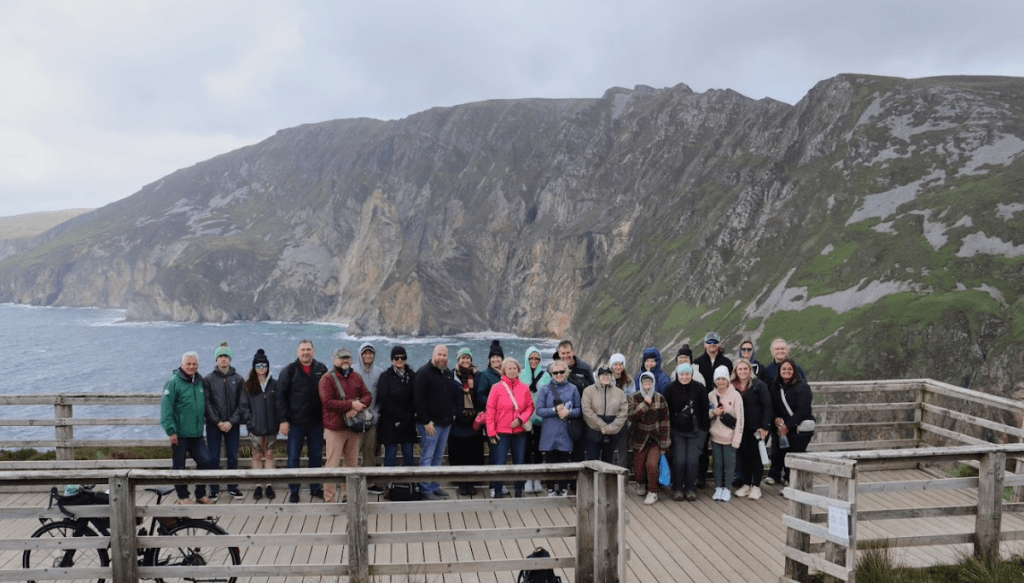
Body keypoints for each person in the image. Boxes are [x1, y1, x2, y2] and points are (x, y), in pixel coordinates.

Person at [276, 339, 329, 503]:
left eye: (308, 349)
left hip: (316, 423)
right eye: (303, 350)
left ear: (314, 351)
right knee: (293, 457)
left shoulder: (322, 369)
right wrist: (283, 420)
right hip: (296, 423)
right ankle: (294, 490)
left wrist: (327, 422)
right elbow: (280, 397)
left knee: (316, 456)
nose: (306, 352)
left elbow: (328, 396)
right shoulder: (289, 371)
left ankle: (315, 488)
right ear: (297, 352)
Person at [319, 347, 371, 503]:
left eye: (347, 357)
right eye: (342, 358)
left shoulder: (356, 377)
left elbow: (367, 395)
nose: (345, 360)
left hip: (353, 427)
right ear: (335, 360)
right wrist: (351, 405)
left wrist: (360, 406)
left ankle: (349, 497)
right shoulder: (326, 379)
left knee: (352, 465)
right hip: (334, 428)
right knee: (332, 465)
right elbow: (327, 403)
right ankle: (330, 499)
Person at [160, 351, 212, 504]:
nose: (191, 366)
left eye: (194, 364)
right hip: (180, 433)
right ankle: (183, 496)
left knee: (205, 461)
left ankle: (200, 494)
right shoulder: (173, 381)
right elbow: (166, 408)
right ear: (182, 365)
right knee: (179, 466)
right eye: (188, 364)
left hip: (196, 433)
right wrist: (171, 430)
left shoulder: (200, 381)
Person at [485, 358, 535, 498]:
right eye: (509, 368)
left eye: (514, 368)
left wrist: (521, 419)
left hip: (519, 432)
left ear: (518, 370)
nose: (512, 371)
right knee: (499, 462)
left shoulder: (524, 387)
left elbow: (530, 407)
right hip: (501, 432)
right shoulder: (497, 388)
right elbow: (490, 410)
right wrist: (491, 432)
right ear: (504, 370)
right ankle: (498, 490)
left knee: (519, 462)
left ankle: (519, 491)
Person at [414, 344, 457, 500]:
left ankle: (434, 486)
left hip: (445, 424)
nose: (442, 358)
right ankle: (425, 489)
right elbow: (418, 400)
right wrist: (426, 421)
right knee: (427, 457)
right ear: (433, 355)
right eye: (439, 354)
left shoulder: (447, 373)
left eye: (445, 355)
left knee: (438, 457)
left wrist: (451, 417)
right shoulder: (423, 373)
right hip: (430, 425)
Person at [204, 342, 245, 501]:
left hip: (232, 425)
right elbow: (207, 403)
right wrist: (218, 421)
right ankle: (214, 488)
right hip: (214, 425)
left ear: (230, 359)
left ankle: (232, 487)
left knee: (232, 457)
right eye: (220, 356)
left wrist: (231, 422)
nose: (223, 359)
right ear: (216, 359)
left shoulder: (238, 379)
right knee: (213, 458)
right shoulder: (208, 379)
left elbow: (242, 403)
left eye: (226, 356)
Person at [664, 363, 710, 501]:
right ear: (677, 375)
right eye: (681, 374)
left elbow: (704, 412)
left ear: (691, 375)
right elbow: (667, 412)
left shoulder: (700, 388)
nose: (684, 377)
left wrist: (703, 433)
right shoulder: (671, 389)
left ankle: (690, 488)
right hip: (677, 431)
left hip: (695, 431)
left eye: (687, 374)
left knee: (693, 461)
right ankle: (678, 488)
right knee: (679, 460)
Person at [239, 348, 280, 501]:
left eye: (264, 365)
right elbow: (244, 406)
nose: (261, 368)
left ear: (268, 366)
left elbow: (279, 404)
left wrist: (277, 422)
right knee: (256, 455)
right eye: (258, 365)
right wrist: (251, 423)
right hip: (255, 428)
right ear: (254, 367)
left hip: (271, 428)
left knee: (269, 454)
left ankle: (269, 484)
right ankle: (258, 485)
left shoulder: (274, 384)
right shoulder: (248, 385)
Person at [537, 360, 582, 496]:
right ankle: (551, 488)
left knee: (564, 461)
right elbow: (539, 411)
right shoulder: (545, 389)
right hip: (550, 431)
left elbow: (579, 410)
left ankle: (563, 488)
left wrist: (569, 413)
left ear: (566, 372)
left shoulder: (573, 388)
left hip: (565, 431)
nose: (558, 375)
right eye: (555, 372)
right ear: (551, 373)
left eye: (561, 372)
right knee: (550, 462)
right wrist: (554, 409)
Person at [694, 332, 733, 487]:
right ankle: (701, 476)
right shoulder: (697, 363)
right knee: (702, 443)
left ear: (719, 344)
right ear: (704, 344)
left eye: (714, 341)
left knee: (723, 441)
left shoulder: (727, 362)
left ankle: (723, 476)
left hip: (723, 405)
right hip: (704, 407)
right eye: (709, 341)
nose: (712, 344)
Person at [768, 358, 815, 486]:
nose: (786, 371)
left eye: (790, 369)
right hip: (782, 425)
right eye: (784, 369)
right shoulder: (775, 387)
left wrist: (788, 426)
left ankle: (791, 480)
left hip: (798, 428)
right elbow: (771, 406)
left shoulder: (803, 387)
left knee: (793, 454)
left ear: (794, 371)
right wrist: (775, 419)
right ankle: (778, 476)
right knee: (778, 451)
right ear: (779, 371)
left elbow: (804, 410)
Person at [627, 371, 671, 505]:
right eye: (644, 382)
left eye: (649, 382)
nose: (647, 384)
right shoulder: (634, 397)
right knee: (639, 470)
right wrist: (645, 404)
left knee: (651, 465)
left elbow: (665, 422)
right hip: (640, 439)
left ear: (653, 383)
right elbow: (631, 416)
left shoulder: (660, 398)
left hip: (656, 439)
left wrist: (664, 444)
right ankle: (641, 483)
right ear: (640, 383)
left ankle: (653, 492)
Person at [732, 359, 771, 500]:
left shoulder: (759, 385)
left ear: (750, 370)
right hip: (741, 428)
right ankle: (747, 484)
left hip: (757, 427)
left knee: (756, 456)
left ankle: (756, 486)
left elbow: (767, 406)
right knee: (743, 456)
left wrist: (765, 426)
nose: (742, 372)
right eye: (740, 369)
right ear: (736, 371)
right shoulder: (732, 386)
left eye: (745, 369)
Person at [376, 346, 417, 475]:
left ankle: (409, 485)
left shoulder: (412, 375)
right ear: (392, 359)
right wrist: (399, 414)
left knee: (409, 455)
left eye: (402, 357)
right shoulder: (385, 376)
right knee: (390, 456)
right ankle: (390, 485)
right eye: (396, 357)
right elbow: (383, 397)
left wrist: (407, 416)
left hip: (408, 422)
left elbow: (416, 398)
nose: (400, 360)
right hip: (389, 423)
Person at [450, 347, 485, 496]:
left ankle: (471, 481)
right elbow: (449, 398)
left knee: (473, 454)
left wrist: (476, 414)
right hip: (457, 422)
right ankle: (461, 482)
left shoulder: (478, 376)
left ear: (471, 360)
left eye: (468, 358)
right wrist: (455, 414)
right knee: (459, 454)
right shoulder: (452, 376)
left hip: (474, 422)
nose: (465, 360)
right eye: (462, 358)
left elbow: (480, 396)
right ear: (458, 360)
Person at [709, 366, 744, 502]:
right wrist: (713, 413)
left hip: (729, 437)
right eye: (718, 379)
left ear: (728, 380)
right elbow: (707, 414)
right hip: (716, 436)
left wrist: (737, 439)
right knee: (717, 463)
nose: (721, 381)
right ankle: (718, 487)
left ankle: (727, 488)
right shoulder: (711, 395)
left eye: (724, 378)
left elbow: (740, 419)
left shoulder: (735, 396)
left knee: (729, 464)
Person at [355, 342, 386, 495]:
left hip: (372, 421)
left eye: (370, 353)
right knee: (353, 453)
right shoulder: (352, 371)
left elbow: (382, 396)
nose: (368, 356)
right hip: (354, 420)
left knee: (370, 452)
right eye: (365, 353)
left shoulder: (379, 372)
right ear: (360, 355)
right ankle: (352, 484)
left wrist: (376, 413)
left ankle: (370, 483)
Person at [581, 365, 628, 464]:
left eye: (608, 375)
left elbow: (623, 412)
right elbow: (587, 411)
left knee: (608, 461)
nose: (606, 377)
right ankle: (593, 480)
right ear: (598, 377)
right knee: (592, 461)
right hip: (593, 430)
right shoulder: (588, 391)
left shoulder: (619, 393)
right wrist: (602, 426)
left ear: (612, 377)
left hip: (612, 432)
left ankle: (607, 480)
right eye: (603, 375)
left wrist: (611, 428)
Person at [519, 346, 551, 494]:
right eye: (531, 358)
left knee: (538, 449)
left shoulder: (546, 376)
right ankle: (526, 479)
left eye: (537, 359)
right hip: (525, 419)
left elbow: (549, 396)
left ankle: (537, 478)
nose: (534, 361)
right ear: (527, 359)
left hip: (540, 418)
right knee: (525, 448)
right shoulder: (520, 375)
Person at [608, 352, 633, 467]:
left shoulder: (629, 382)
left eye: (620, 364)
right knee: (610, 451)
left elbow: (632, 401)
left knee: (623, 451)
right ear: (611, 365)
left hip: (624, 421)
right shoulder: (606, 379)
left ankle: (623, 479)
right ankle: (610, 479)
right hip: (609, 421)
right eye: (615, 364)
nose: (618, 367)